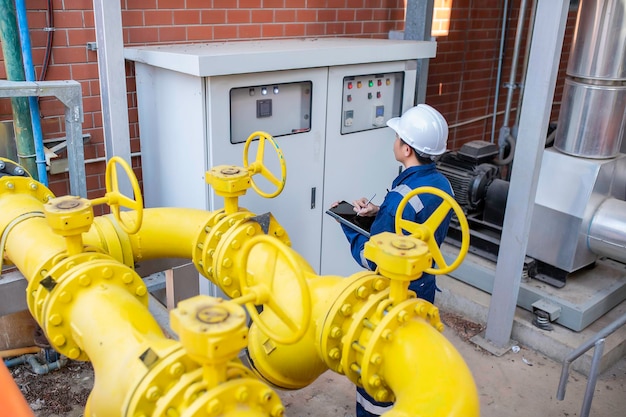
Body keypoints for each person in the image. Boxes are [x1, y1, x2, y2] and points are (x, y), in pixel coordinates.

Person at [331, 103, 454, 417]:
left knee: (379, 368)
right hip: (423, 287)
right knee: (412, 355)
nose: (395, 141)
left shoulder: (402, 196)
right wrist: (378, 213)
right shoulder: (443, 185)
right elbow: (417, 227)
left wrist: (348, 226)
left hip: (391, 294)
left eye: (398, 136)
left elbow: (374, 259)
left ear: (407, 149)